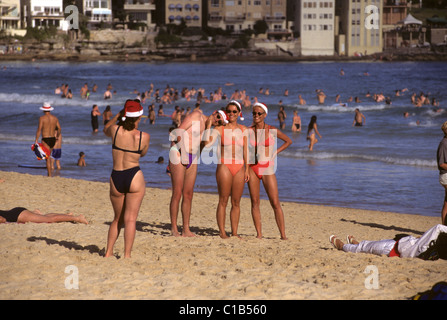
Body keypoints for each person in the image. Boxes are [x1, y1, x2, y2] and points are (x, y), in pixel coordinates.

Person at [169, 109, 228, 237]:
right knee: (177, 193)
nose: (217, 120)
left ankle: (186, 229)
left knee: (188, 194)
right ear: (214, 112)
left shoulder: (209, 129)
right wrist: (183, 152)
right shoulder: (197, 115)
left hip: (192, 156)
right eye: (218, 116)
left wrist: (208, 125)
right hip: (179, 152)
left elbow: (203, 145)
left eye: (219, 122)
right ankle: (174, 229)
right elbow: (179, 130)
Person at [103, 99, 150, 258]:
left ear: (125, 114)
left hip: (116, 176)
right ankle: (127, 255)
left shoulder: (115, 130)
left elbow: (105, 129)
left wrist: (117, 115)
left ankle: (108, 252)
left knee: (117, 219)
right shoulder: (143, 136)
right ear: (139, 116)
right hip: (133, 175)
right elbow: (142, 154)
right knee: (131, 219)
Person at [247, 102, 291, 240]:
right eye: (254, 113)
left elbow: (288, 141)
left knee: (275, 202)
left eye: (259, 113)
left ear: (265, 115)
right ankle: (259, 234)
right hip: (252, 168)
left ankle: (283, 235)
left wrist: (275, 152)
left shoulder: (272, 130)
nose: (256, 116)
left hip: (267, 167)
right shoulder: (248, 131)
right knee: (255, 202)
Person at [215, 101, 249, 239]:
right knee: (223, 200)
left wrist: (247, 169)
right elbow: (205, 140)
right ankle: (222, 232)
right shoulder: (220, 129)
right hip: (225, 165)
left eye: (235, 111)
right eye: (229, 111)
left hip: (240, 166)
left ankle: (234, 232)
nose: (232, 114)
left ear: (239, 113)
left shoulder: (244, 130)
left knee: (236, 202)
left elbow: (246, 150)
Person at [329, 224, 447, 260]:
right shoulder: (433, 251)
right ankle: (356, 243)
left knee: (364, 247)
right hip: (397, 243)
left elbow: (438, 227)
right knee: (368, 244)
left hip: (390, 249)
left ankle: (342, 246)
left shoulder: (426, 245)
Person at [35, 102, 61, 177]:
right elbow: (59, 128)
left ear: (43, 110)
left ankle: (49, 174)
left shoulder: (42, 118)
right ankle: (49, 173)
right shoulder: (55, 118)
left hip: (45, 138)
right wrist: (57, 136)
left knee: (47, 158)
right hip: (53, 139)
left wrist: (36, 139)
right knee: (49, 155)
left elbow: (39, 129)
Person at [0, 207, 88, 224]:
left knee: (50, 219)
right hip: (17, 213)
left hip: (19, 215)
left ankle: (77, 218)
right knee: (46, 217)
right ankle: (66, 215)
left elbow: (2, 220)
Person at [437, 121, 447, 226]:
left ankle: (444, 227)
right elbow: (441, 164)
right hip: (445, 176)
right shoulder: (444, 144)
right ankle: (444, 227)